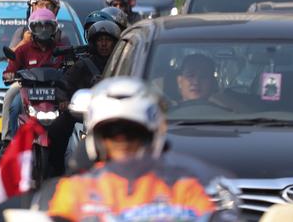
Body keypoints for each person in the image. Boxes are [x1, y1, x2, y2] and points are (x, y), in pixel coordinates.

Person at [45, 77, 238, 221]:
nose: (122, 138)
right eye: (112, 131)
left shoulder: (182, 187)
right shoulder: (77, 189)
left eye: (132, 131)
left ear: (151, 137)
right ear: (97, 140)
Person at [45, 18, 120, 177]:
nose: (104, 44)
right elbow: (64, 83)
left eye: (108, 40)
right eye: (100, 40)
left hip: (115, 113)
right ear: (94, 43)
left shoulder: (122, 63)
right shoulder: (83, 64)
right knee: (56, 129)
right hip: (82, 115)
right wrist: (64, 100)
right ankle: (56, 171)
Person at [2, 8, 65, 141]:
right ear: (31, 28)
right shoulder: (23, 49)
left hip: (56, 92)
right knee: (15, 106)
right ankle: (11, 142)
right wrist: (9, 75)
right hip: (28, 91)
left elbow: (72, 70)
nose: (43, 30)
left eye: (47, 26)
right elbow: (11, 69)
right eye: (39, 27)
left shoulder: (61, 49)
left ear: (54, 28)